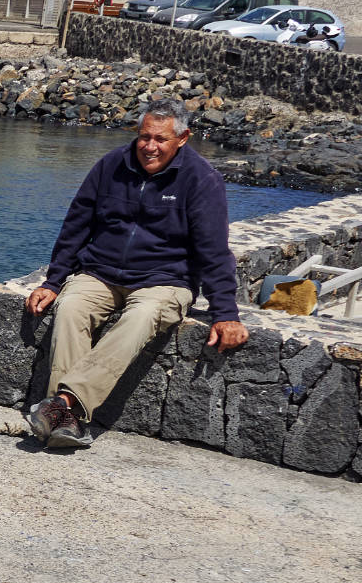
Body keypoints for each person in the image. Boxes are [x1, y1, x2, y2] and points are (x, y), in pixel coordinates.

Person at [23, 97, 248, 450]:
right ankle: (68, 422)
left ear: (183, 138)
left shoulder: (202, 179)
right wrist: (53, 281)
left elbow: (214, 250)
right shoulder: (111, 165)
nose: (150, 147)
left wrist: (226, 313)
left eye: (161, 139)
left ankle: (61, 406)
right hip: (100, 271)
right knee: (69, 308)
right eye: (144, 137)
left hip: (165, 279)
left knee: (141, 316)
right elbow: (76, 226)